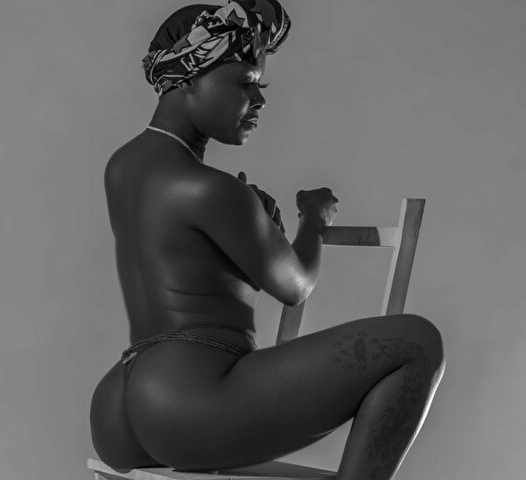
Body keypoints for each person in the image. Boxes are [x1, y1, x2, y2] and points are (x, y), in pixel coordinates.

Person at [90, 1, 445, 478]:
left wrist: (251, 225)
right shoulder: (213, 190)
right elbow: (295, 285)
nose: (258, 101)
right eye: (246, 83)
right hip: (191, 407)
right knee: (418, 341)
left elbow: (186, 265)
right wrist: (312, 218)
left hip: (121, 409)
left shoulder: (123, 166)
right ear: (188, 78)